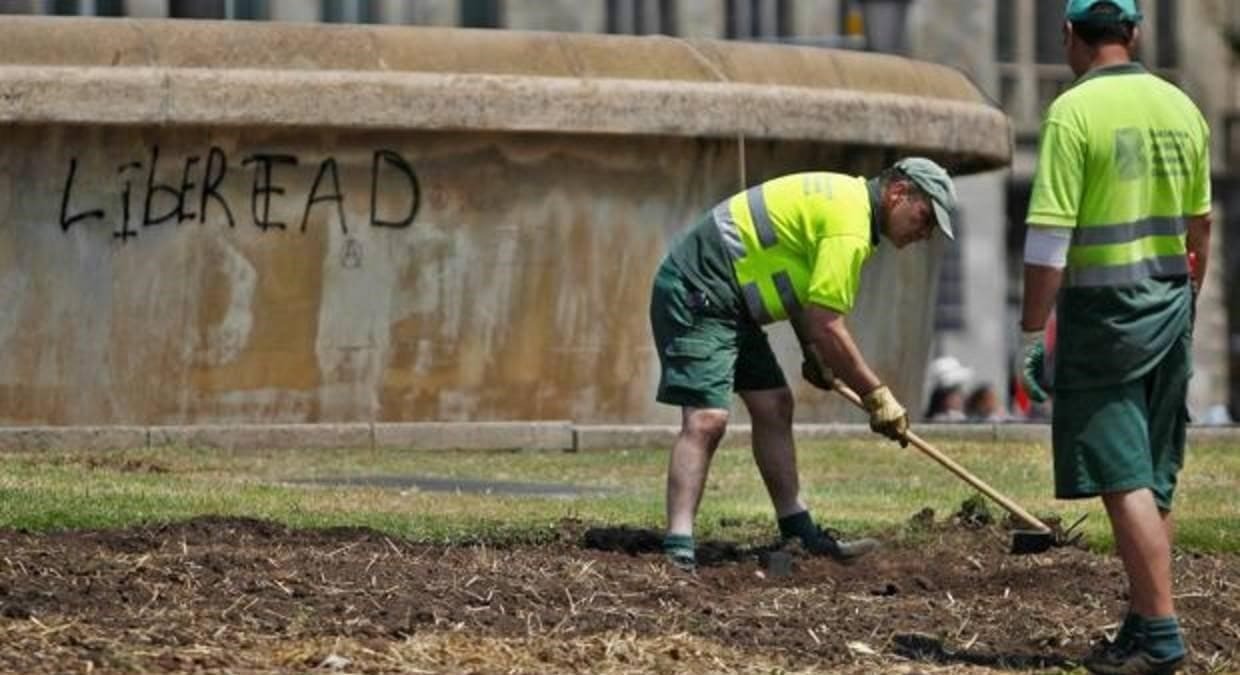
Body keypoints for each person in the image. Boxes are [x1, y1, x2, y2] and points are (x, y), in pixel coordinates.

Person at [1018, 1, 1211, 673]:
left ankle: (1161, 636)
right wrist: (1187, 299)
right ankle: (1140, 618)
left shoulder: (1072, 113)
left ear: (1068, 34)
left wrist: (1031, 328)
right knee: (1154, 476)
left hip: (1104, 317)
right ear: (1134, 32)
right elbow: (1201, 227)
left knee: (1120, 473)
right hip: (1169, 307)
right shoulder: (1182, 107)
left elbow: (1048, 240)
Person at [649, 156, 958, 571]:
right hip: (698, 291)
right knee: (707, 419)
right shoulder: (850, 225)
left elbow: (800, 292)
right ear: (898, 193)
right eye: (924, 218)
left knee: (775, 405)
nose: (924, 233)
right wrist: (876, 395)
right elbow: (827, 323)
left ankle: (798, 530)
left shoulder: (848, 207)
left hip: (731, 301)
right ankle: (679, 547)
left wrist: (812, 353)